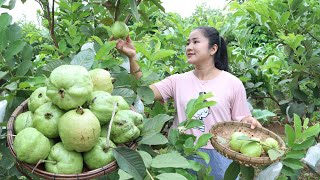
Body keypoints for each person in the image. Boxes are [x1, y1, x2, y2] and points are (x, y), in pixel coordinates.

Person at [114, 26, 262, 180]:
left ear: (213, 49)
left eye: (196, 42)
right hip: (182, 153)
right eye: (187, 43)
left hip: (220, 156)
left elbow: (242, 119)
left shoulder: (233, 83)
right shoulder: (177, 81)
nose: (189, 47)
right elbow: (145, 92)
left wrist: (249, 121)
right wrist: (132, 57)